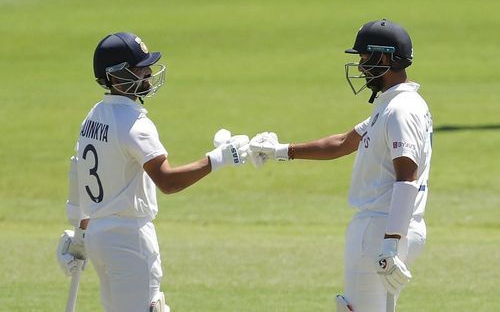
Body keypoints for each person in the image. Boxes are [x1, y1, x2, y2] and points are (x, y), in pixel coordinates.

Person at [56, 32, 249, 312]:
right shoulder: (135, 123)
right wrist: (218, 159)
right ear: (116, 76)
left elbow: (78, 174)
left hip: (99, 235)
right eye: (139, 68)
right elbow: (168, 182)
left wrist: (80, 234)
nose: (148, 73)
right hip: (129, 239)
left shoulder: (93, 116)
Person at [248, 19, 433, 312]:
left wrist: (390, 243)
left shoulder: (401, 110)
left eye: (363, 58)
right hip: (387, 225)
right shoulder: (392, 105)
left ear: (384, 58)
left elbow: (406, 177)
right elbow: (342, 143)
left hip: (381, 227)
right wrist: (280, 151)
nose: (360, 67)